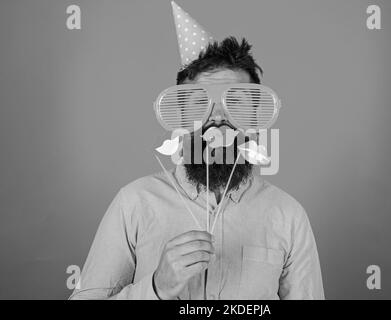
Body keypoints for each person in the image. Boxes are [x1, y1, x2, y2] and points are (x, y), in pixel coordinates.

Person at [69, 2, 324, 300]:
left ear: (256, 119)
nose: (217, 118)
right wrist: (156, 288)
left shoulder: (288, 216)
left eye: (237, 102)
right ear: (179, 117)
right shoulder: (134, 205)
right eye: (199, 103)